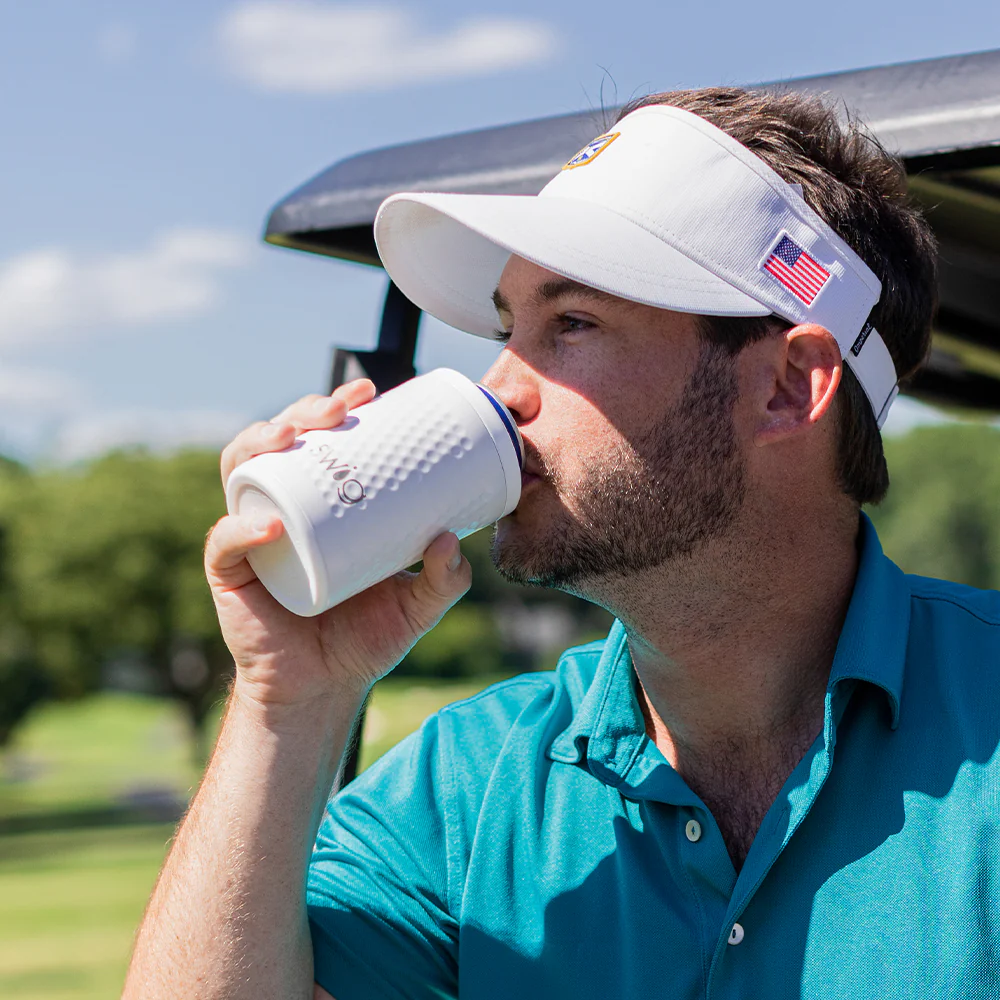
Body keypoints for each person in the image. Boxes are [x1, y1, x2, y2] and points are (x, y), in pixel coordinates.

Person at [124, 87, 1000, 1000]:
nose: (497, 386)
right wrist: (287, 701)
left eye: (570, 324)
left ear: (787, 387)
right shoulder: (467, 785)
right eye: (509, 328)